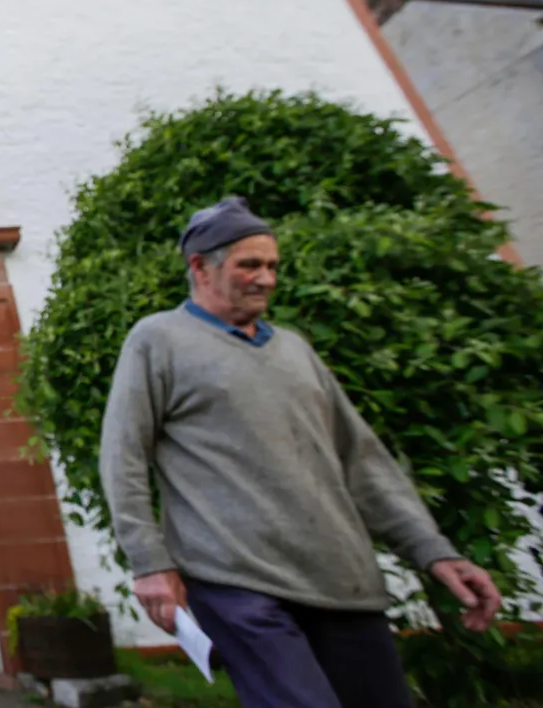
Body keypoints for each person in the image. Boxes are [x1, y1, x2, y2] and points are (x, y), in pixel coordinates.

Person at [98, 196, 502, 708]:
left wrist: (433, 551)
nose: (266, 279)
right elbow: (123, 456)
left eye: (271, 266)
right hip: (237, 580)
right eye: (249, 265)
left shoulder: (294, 348)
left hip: (342, 579)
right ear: (199, 266)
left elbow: (362, 462)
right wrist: (150, 563)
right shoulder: (158, 340)